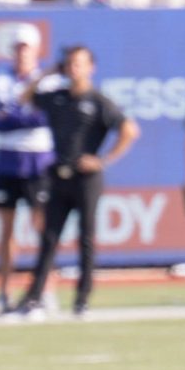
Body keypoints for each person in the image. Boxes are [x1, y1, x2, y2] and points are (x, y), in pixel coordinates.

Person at [12, 45, 140, 319]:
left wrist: (103, 160)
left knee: (86, 238)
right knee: (49, 238)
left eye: (79, 64)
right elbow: (25, 97)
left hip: (87, 179)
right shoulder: (57, 96)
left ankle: (82, 298)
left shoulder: (98, 101)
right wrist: (47, 72)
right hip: (59, 175)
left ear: (91, 67)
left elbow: (130, 130)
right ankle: (34, 297)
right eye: (69, 64)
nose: (74, 69)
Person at [0, 23, 56, 316]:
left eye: (26, 47)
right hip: (8, 159)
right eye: (17, 47)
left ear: (36, 49)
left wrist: (13, 115)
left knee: (43, 227)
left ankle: (46, 289)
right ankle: (5, 292)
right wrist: (22, 115)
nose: (21, 53)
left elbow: (46, 118)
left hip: (39, 160)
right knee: (7, 230)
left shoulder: (47, 82)